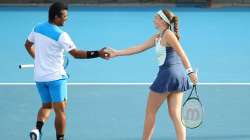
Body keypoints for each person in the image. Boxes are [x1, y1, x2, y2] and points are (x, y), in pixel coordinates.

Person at [107, 9, 198, 140]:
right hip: (178, 77)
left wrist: (190, 72)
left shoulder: (168, 35)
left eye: (156, 18)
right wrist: (117, 53)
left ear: (163, 21)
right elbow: (138, 47)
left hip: (167, 76)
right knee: (175, 114)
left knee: (150, 112)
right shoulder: (157, 37)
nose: (153, 19)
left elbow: (182, 53)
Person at [24, 2, 109, 140]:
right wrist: (98, 53)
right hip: (56, 79)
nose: (66, 18)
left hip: (40, 77)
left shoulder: (37, 27)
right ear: (56, 17)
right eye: (64, 16)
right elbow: (76, 54)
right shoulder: (61, 35)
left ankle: (37, 129)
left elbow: (27, 45)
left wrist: (37, 59)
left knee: (46, 105)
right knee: (60, 112)